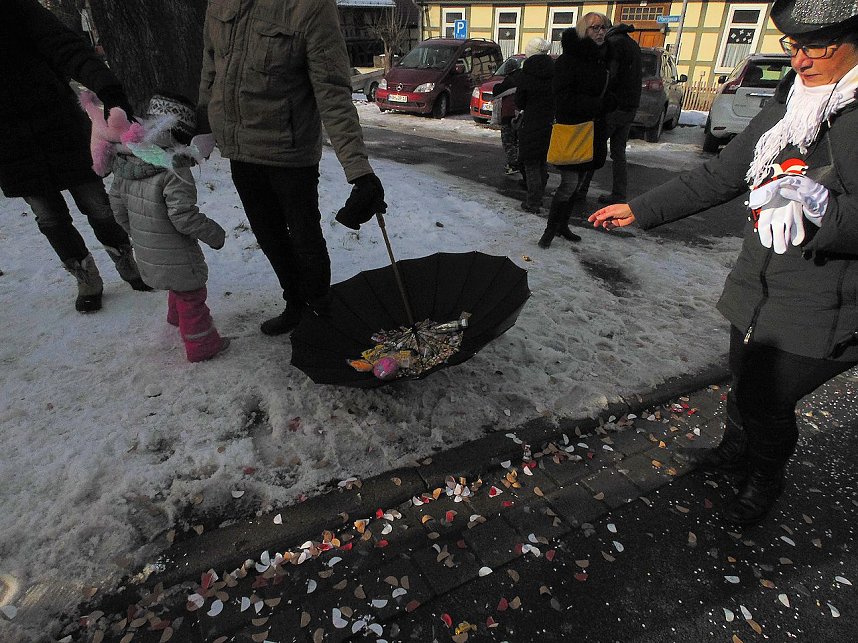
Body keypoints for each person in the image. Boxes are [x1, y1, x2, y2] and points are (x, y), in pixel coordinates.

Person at [589, 0, 858, 526]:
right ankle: (737, 451)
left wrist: (825, 209)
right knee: (745, 379)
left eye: (816, 46)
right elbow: (722, 175)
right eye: (793, 46)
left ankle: (765, 477)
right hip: (758, 288)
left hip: (825, 301)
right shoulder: (791, 101)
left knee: (766, 400)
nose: (800, 61)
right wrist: (641, 207)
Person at [198, 0, 386, 336]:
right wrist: (202, 115)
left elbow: (333, 92)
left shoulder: (310, 7)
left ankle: (319, 309)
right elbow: (212, 64)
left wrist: (359, 170)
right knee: (269, 235)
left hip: (289, 151)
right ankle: (295, 303)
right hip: (240, 148)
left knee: (304, 238)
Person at [0, 0, 148, 313]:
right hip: (11, 147)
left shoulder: (17, 9)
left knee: (98, 206)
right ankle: (85, 277)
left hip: (59, 128)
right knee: (49, 217)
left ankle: (126, 261)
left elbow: (68, 48)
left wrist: (107, 87)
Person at [104, 93, 229, 363]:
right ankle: (202, 345)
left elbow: (116, 205)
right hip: (176, 249)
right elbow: (183, 216)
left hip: (147, 248)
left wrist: (136, 231)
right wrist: (214, 234)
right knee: (192, 292)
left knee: (178, 285)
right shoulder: (175, 169)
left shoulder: (128, 159)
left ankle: (175, 319)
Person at [538, 13, 614, 248]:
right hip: (573, 130)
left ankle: (562, 226)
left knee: (579, 183)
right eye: (594, 28)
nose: (600, 32)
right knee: (569, 184)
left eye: (603, 27)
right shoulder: (569, 60)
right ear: (583, 30)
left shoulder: (602, 59)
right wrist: (598, 104)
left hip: (592, 131)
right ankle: (550, 231)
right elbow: (563, 99)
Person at [502, 37, 555, 214]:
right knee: (541, 162)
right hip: (549, 123)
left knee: (531, 163)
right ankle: (539, 195)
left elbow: (521, 102)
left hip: (531, 123)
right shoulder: (554, 72)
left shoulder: (526, 74)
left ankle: (533, 202)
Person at [596, 22, 642, 205]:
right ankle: (619, 193)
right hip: (630, 106)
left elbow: (610, 76)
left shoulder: (614, 44)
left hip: (614, 106)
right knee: (618, 152)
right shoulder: (633, 45)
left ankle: (579, 190)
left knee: (594, 147)